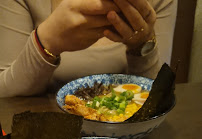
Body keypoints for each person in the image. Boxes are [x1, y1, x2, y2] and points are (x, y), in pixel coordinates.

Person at [0, 0, 177, 97]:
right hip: (45, 136)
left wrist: (141, 45)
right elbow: (6, 93)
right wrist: (46, 41)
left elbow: (158, 99)